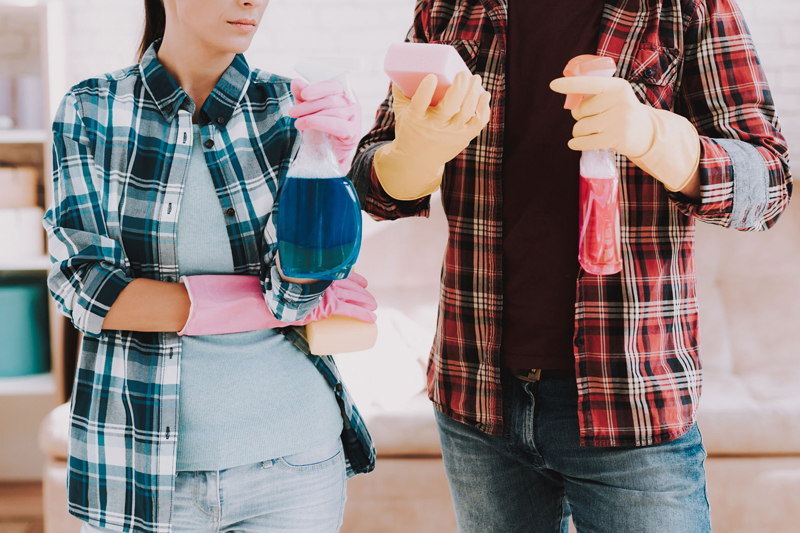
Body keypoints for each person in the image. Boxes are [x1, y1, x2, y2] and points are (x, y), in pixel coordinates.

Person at [349, 0, 792, 531]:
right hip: (477, 394)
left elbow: (769, 183)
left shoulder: (687, 7)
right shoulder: (449, 8)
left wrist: (655, 136)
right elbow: (372, 183)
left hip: (631, 398)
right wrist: (415, 154)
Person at [43, 0, 377, 531]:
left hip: (293, 463)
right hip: (141, 468)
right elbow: (84, 288)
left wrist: (329, 164)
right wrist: (259, 304)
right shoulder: (92, 109)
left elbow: (297, 294)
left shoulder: (291, 110)